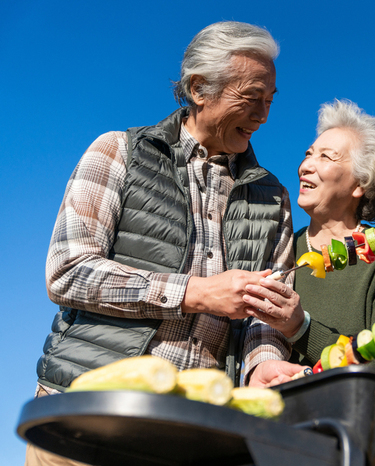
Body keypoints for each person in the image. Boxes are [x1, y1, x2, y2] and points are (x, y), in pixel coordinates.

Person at [27, 21, 306, 466]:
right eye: (251, 97)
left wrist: (263, 362)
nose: (263, 115)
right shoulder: (117, 151)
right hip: (88, 418)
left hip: (193, 436)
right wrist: (195, 293)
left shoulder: (273, 196)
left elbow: (266, 314)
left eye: (269, 101)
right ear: (199, 88)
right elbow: (67, 271)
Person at [242, 99, 375, 372]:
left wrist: (301, 328)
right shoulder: (279, 246)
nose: (305, 166)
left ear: (360, 183)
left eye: (325, 157)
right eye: (308, 153)